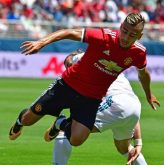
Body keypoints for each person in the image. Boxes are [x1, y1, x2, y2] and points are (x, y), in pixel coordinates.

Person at [9, 13, 160, 148]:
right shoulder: (103, 37)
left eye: (132, 35)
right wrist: (41, 43)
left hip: (91, 98)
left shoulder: (139, 53)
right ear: (121, 27)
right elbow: (69, 32)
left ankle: (59, 123)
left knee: (77, 140)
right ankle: (19, 123)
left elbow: (143, 74)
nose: (126, 37)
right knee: (28, 119)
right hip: (66, 86)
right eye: (125, 31)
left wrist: (148, 94)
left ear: (139, 36)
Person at [30, 52, 164, 165]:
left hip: (115, 103)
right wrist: (138, 141)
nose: (68, 68)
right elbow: (128, 109)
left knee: (68, 130)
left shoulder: (81, 62)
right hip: (133, 105)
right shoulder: (107, 64)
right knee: (124, 148)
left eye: (69, 64)